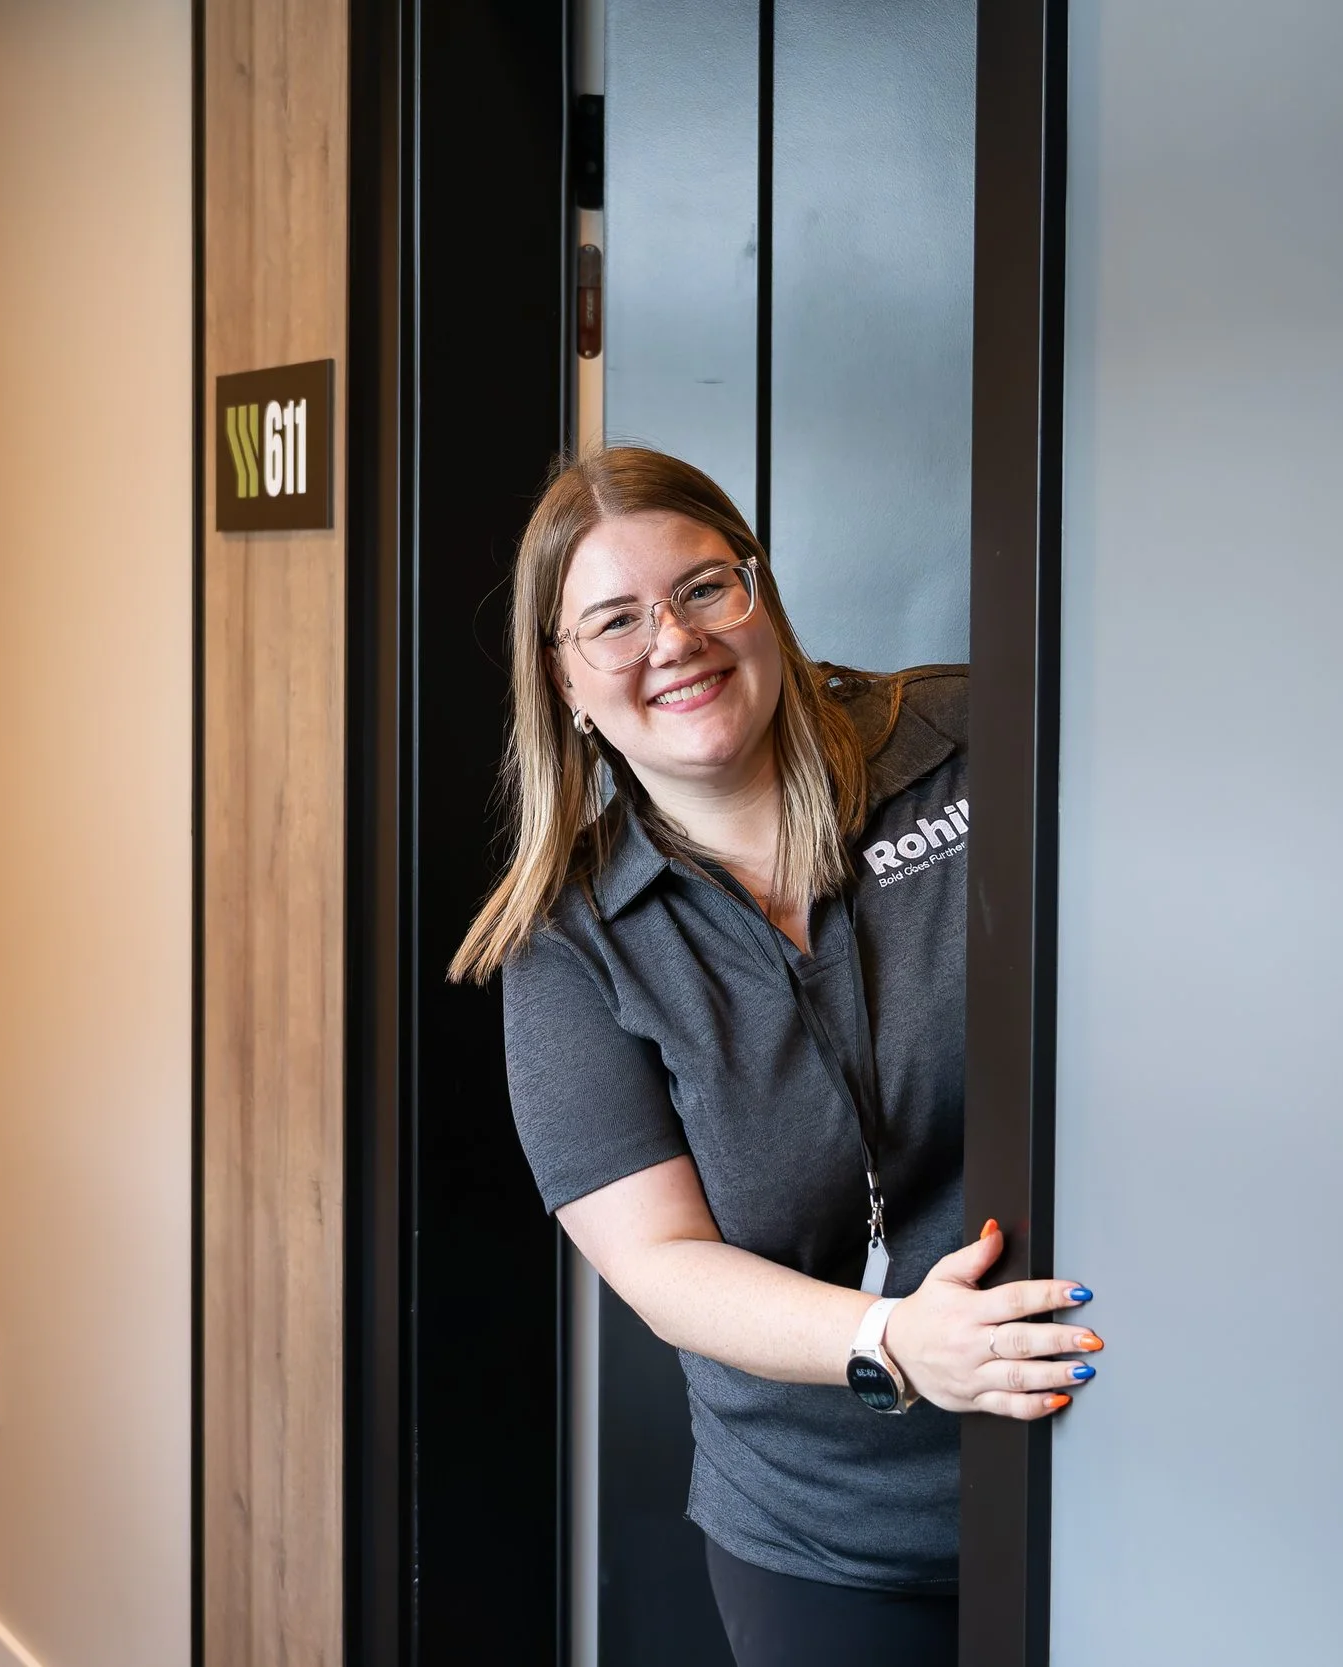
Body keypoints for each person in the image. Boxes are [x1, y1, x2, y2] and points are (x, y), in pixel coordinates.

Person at [450, 447, 1102, 1666]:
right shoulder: (567, 944)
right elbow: (660, 1260)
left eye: (705, 587)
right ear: (565, 679)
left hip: (1119, 1471)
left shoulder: (969, 738)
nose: (674, 639)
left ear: (761, 591)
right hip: (839, 1544)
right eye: (613, 619)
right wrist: (895, 1337)